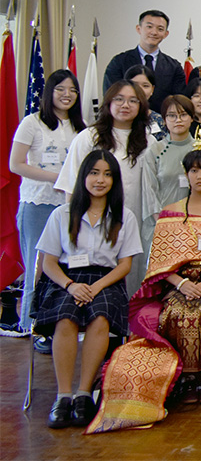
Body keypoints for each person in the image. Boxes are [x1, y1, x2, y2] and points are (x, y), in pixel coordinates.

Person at [88, 150, 201, 432]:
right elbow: (159, 262)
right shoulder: (170, 212)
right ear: (186, 175)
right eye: (194, 171)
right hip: (178, 282)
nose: (200, 176)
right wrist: (182, 284)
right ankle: (183, 376)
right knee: (176, 312)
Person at [35, 150, 140, 429]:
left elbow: (124, 265)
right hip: (66, 280)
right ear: (83, 176)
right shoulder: (62, 214)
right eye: (94, 173)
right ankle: (63, 396)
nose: (100, 180)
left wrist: (95, 287)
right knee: (66, 316)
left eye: (107, 174)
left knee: (101, 315)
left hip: (106, 280)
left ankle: (84, 393)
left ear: (114, 181)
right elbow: (48, 263)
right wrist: (71, 285)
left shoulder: (124, 216)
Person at [56, 81, 156, 293]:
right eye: (119, 99)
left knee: (132, 277)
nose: (125, 105)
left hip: (135, 220)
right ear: (108, 103)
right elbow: (71, 185)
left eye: (132, 100)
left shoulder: (149, 141)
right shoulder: (89, 137)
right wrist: (73, 224)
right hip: (92, 221)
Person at [12, 69, 84, 333]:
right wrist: (59, 178)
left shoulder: (81, 126)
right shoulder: (32, 122)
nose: (67, 95)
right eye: (61, 89)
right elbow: (16, 164)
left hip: (71, 206)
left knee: (69, 266)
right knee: (39, 264)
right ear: (49, 92)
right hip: (38, 204)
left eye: (72, 90)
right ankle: (31, 323)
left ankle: (61, 322)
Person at [103, 10, 185, 112]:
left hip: (161, 123)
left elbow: (178, 101)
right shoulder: (119, 62)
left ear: (166, 34)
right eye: (149, 27)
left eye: (160, 29)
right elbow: (110, 95)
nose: (154, 32)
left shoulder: (174, 67)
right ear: (139, 29)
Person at [145, 95, 197, 228]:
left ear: (192, 118)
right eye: (172, 115)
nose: (178, 120)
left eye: (183, 115)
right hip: (161, 222)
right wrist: (161, 220)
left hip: (196, 221)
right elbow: (149, 190)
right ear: (164, 120)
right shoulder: (155, 150)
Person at [124, 66, 166, 141]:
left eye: (145, 86)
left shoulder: (160, 120)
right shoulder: (119, 116)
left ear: (152, 89)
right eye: (135, 85)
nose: (140, 90)